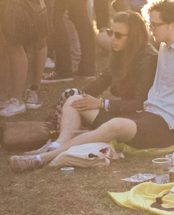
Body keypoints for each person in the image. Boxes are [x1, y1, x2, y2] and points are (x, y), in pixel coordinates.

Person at [12, 0, 174, 172]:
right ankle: (57, 145)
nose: (151, 29)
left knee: (116, 124)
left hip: (165, 128)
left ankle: (41, 159)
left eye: (155, 25)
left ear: (173, 25)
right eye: (150, 24)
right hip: (144, 116)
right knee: (74, 101)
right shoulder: (165, 46)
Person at [26, 12, 157, 147]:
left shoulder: (148, 59)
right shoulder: (123, 52)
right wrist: (82, 97)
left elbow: (139, 104)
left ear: (134, 37)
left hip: (134, 122)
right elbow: (102, 81)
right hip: (122, 113)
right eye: (110, 33)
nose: (112, 38)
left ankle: (57, 135)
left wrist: (102, 103)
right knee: (72, 95)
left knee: (73, 100)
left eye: (118, 35)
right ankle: (58, 136)